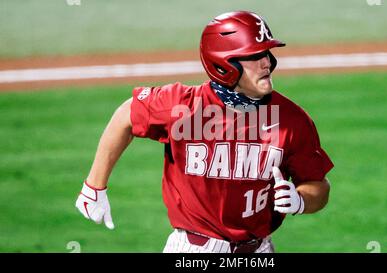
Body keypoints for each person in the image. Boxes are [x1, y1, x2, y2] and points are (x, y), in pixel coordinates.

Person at [75, 10, 334, 253]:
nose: (266, 62)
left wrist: (300, 201)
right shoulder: (183, 106)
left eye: (266, 53)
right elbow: (126, 115)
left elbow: (317, 186)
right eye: (254, 56)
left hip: (260, 249)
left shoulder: (291, 119)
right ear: (224, 64)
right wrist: (93, 187)